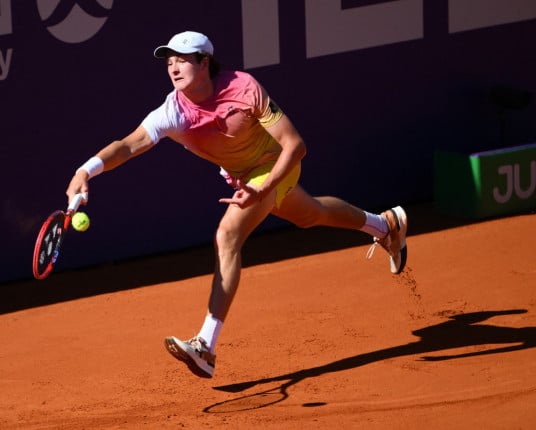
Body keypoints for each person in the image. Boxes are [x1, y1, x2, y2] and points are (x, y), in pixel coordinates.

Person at [66, 31, 408, 378]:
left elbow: (295, 145)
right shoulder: (174, 111)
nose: (173, 67)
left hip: (276, 165)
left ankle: (205, 347)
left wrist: (264, 188)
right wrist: (86, 171)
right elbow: (128, 144)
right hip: (244, 179)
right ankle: (385, 225)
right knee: (310, 215)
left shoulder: (244, 89)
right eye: (169, 61)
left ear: (204, 63)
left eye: (182, 59)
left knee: (227, 235)